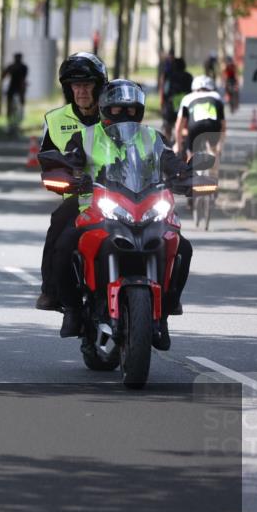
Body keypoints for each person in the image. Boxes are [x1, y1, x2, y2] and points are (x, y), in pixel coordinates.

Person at [52, 79, 193, 351]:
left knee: (183, 247)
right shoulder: (86, 136)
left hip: (146, 208)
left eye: (130, 110)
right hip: (96, 209)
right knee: (63, 247)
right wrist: (70, 175)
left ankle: (165, 310)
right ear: (105, 108)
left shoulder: (152, 137)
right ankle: (72, 310)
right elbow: (69, 162)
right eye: (116, 109)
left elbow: (171, 161)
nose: (123, 115)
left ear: (139, 111)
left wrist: (187, 176)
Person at [35, 52, 107, 311]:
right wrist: (64, 177)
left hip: (122, 194)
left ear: (99, 86)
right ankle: (51, 292)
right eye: (75, 85)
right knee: (58, 229)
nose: (81, 91)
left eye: (87, 84)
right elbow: (48, 160)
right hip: (80, 198)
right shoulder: (54, 120)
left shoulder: (116, 115)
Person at [174, 74, 225, 160]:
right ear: (211, 88)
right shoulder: (216, 96)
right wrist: (220, 146)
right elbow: (223, 125)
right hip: (212, 126)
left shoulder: (187, 98)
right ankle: (214, 172)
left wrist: (178, 145)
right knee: (213, 152)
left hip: (194, 127)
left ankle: (190, 168)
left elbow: (178, 127)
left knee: (191, 154)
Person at [162, 56, 192, 144]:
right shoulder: (188, 76)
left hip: (171, 106)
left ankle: (166, 144)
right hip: (185, 106)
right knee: (185, 126)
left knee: (168, 126)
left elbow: (165, 91)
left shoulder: (169, 77)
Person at [1, 53, 29, 126]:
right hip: (15, 87)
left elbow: (3, 75)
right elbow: (4, 75)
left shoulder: (20, 67)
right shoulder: (19, 67)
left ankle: (15, 119)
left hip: (17, 87)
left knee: (19, 104)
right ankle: (11, 119)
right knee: (11, 104)